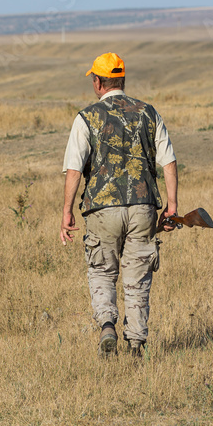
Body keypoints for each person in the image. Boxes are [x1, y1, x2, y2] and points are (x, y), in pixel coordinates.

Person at [60, 52, 178, 358]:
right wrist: (172, 205)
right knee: (137, 278)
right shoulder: (149, 113)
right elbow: (169, 161)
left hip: (102, 208)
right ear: (122, 80)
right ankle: (137, 346)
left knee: (102, 271)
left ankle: (108, 326)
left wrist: (67, 212)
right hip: (143, 207)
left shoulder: (87, 117)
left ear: (98, 82)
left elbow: (74, 168)